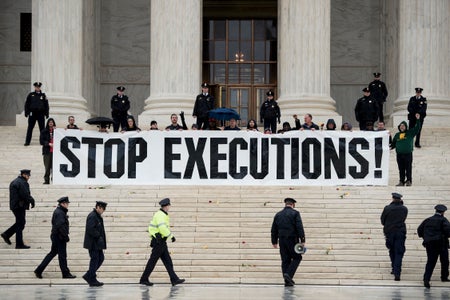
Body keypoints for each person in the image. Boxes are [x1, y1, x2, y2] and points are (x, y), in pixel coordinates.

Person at [140, 198, 185, 286]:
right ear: (166, 206)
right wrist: (171, 236)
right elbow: (162, 228)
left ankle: (174, 279)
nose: (169, 207)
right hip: (158, 242)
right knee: (152, 261)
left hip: (161, 242)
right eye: (169, 205)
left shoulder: (162, 214)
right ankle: (143, 279)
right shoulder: (160, 215)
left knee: (168, 261)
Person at [34, 197, 76, 279]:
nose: (68, 205)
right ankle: (65, 273)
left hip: (56, 236)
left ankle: (39, 270)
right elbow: (60, 226)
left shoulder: (59, 211)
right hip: (59, 237)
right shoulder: (60, 213)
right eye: (67, 203)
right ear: (62, 203)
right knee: (62, 256)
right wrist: (65, 236)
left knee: (52, 253)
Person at [271, 198, 306, 287]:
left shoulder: (278, 214)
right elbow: (299, 227)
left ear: (285, 204)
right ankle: (289, 275)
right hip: (292, 239)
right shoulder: (295, 213)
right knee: (297, 258)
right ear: (293, 205)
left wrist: (274, 241)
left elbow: (273, 229)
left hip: (282, 240)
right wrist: (302, 239)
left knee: (285, 260)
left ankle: (287, 281)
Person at [417, 204, 450, 289]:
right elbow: (448, 231)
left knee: (430, 262)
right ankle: (444, 277)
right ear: (443, 212)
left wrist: (426, 237)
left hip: (430, 244)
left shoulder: (428, 220)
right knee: (445, 261)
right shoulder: (443, 220)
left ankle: (426, 279)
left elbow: (419, 230)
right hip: (441, 244)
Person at [1, 169, 35, 249]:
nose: (28, 177)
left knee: (20, 223)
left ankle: (7, 234)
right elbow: (25, 194)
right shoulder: (21, 182)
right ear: (23, 175)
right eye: (27, 175)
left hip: (16, 206)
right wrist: (32, 200)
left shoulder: (16, 181)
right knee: (20, 224)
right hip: (19, 206)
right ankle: (19, 244)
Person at [380, 193, 408, 281]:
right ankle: (397, 272)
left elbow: (382, 220)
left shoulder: (388, 208)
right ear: (400, 199)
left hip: (389, 232)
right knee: (399, 252)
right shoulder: (404, 209)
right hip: (400, 232)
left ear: (392, 198)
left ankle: (394, 268)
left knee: (392, 250)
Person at [390, 113, 421, 186]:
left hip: (408, 154)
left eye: (403, 126)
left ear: (406, 127)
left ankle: (409, 181)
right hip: (399, 155)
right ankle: (401, 181)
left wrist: (418, 120)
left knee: (408, 168)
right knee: (401, 169)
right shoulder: (397, 135)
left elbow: (417, 128)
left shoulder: (410, 133)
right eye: (401, 126)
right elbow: (393, 144)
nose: (402, 127)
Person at [83, 201, 108, 287]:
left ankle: (89, 275)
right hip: (93, 243)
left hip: (97, 244)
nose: (103, 211)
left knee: (100, 258)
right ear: (98, 207)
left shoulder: (97, 216)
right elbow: (90, 229)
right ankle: (92, 278)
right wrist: (98, 236)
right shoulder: (92, 216)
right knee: (95, 260)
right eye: (102, 209)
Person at [24, 82, 49, 146]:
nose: (37, 88)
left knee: (42, 129)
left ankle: (42, 141)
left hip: (40, 113)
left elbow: (46, 105)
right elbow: (27, 104)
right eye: (36, 87)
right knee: (30, 128)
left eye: (38, 87)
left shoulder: (43, 95)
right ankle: (27, 141)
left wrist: (47, 113)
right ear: (35, 87)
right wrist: (26, 112)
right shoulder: (31, 95)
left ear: (40, 87)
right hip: (32, 113)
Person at [40, 118, 56, 184]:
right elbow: (41, 141)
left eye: (52, 122)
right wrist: (48, 144)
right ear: (48, 123)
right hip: (47, 151)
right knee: (47, 166)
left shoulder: (57, 131)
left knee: (55, 166)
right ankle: (46, 180)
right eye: (50, 122)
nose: (51, 123)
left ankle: (54, 179)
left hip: (55, 152)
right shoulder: (44, 131)